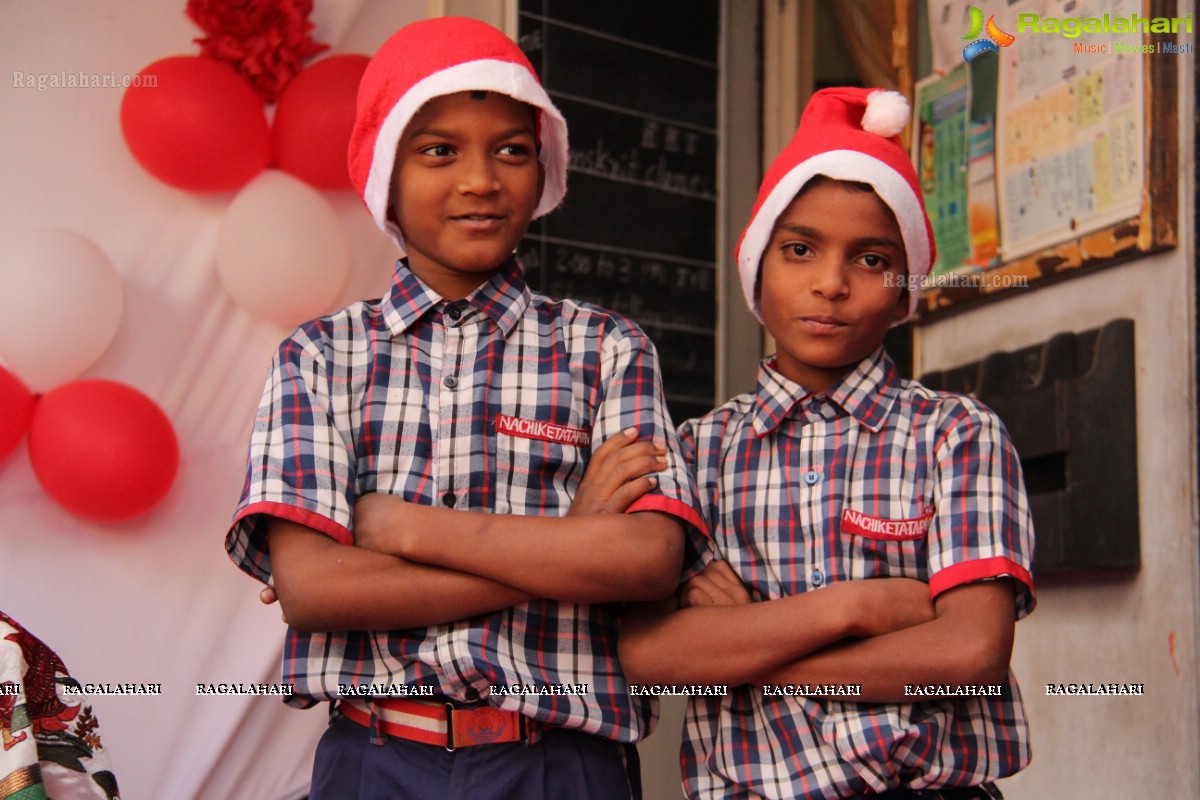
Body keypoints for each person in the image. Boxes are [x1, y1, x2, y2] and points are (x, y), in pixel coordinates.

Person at [224, 17, 708, 800]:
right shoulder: (320, 356)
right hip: (375, 761)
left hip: (561, 764)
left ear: (543, 167)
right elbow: (316, 590)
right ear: (385, 172)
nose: (480, 180)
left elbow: (644, 563)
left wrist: (404, 529)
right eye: (439, 150)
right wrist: (566, 545)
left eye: (512, 149)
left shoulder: (608, 348)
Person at [617, 87, 1036, 799]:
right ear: (757, 269)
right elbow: (651, 658)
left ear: (905, 291)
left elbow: (971, 653)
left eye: (870, 259)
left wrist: (744, 645)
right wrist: (854, 610)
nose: (831, 284)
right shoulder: (692, 454)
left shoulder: (957, 434)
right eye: (800, 250)